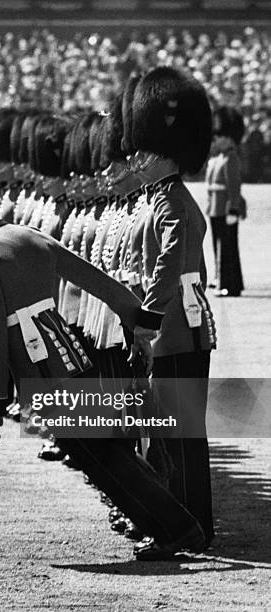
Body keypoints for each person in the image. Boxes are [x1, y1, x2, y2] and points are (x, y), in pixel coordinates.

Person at [0, 182, 207, 560]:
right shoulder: (30, 235)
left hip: (40, 367)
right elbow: (100, 282)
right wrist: (139, 323)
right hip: (71, 351)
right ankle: (177, 526)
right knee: (109, 448)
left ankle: (175, 530)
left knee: (100, 458)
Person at [130, 66, 217, 550]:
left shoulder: (174, 204)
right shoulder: (165, 198)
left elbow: (169, 266)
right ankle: (189, 526)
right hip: (175, 327)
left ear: (166, 153)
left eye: (144, 151)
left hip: (176, 329)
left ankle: (186, 529)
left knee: (179, 436)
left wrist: (145, 318)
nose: (137, 161)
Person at [205, 105, 246, 297]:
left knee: (228, 249)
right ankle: (222, 278)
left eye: (220, 136)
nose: (217, 140)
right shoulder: (218, 158)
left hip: (226, 209)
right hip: (216, 208)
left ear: (229, 137)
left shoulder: (231, 158)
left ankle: (230, 284)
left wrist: (234, 209)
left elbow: (233, 187)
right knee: (219, 248)